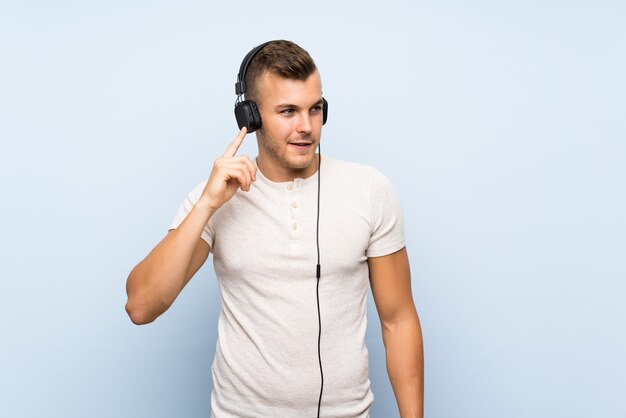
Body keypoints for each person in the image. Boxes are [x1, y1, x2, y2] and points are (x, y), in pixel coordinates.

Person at [125, 40, 424, 418]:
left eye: (315, 109)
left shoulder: (369, 189)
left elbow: (398, 320)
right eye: (287, 111)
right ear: (250, 117)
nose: (306, 127)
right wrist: (206, 204)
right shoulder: (215, 197)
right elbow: (141, 306)